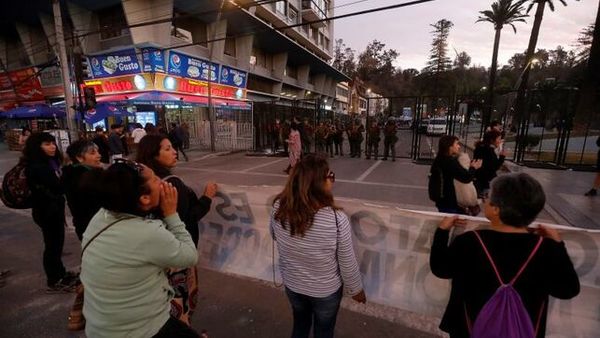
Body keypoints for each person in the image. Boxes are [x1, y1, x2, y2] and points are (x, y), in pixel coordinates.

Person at [430, 173, 580, 338]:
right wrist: (558, 244)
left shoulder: (470, 242)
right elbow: (568, 290)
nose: (483, 199)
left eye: (487, 196)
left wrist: (442, 231)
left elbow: (440, 268)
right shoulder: (545, 248)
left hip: (468, 330)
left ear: (495, 209)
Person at [80, 160, 200, 338]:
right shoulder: (147, 233)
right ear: (144, 198)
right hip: (141, 329)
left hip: (100, 328)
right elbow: (190, 256)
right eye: (155, 179)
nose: (162, 181)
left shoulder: (101, 216)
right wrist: (171, 215)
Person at [270, 154, 366, 338]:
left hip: (293, 284)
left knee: (300, 325)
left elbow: (275, 235)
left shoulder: (278, 208)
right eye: (330, 176)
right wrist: (357, 290)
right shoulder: (337, 220)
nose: (333, 181)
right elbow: (347, 262)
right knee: (323, 332)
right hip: (325, 292)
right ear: (318, 183)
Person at [137, 134, 218, 325]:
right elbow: (186, 218)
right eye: (167, 149)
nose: (174, 152)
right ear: (153, 155)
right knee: (180, 302)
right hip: (176, 253)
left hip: (155, 252)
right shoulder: (171, 183)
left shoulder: (143, 180)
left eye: (173, 147)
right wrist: (207, 197)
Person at [23, 132, 77, 292]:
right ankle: (54, 280)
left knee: (56, 244)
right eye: (47, 144)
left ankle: (60, 273)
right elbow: (59, 186)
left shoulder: (49, 162)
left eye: (53, 143)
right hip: (46, 211)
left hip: (53, 209)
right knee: (53, 245)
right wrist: (68, 172)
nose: (52, 147)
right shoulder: (38, 166)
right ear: (37, 147)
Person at [62, 140, 104, 240]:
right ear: (79, 158)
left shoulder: (71, 173)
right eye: (93, 153)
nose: (99, 156)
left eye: (98, 152)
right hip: (94, 226)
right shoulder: (86, 178)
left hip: (84, 225)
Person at [430, 135, 482, 214]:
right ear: (450, 147)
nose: (459, 147)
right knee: (451, 221)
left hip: (442, 198)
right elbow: (466, 177)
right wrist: (473, 168)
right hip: (448, 200)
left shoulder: (440, 159)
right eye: (457, 144)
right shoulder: (449, 161)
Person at [473, 130, 506, 197]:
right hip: (487, 181)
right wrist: (502, 157)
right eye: (498, 139)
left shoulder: (480, 147)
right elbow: (494, 167)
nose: (500, 141)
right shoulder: (489, 150)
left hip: (479, 178)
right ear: (492, 140)